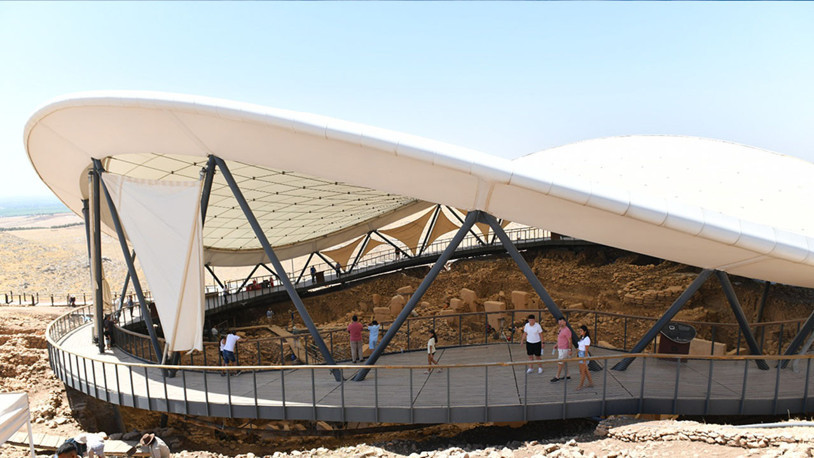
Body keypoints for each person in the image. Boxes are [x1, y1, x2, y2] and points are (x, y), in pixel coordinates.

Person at [551, 316, 572, 382]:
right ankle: (567, 375)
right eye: (559, 321)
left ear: (565, 322)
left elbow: (570, 340)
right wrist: (557, 345)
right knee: (564, 362)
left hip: (564, 349)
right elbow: (560, 338)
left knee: (560, 363)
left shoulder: (567, 330)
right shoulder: (560, 329)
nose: (560, 323)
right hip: (560, 348)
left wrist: (570, 350)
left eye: (562, 321)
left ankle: (557, 376)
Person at [576, 325, 594, 390]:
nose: (580, 332)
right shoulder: (582, 338)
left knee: (582, 371)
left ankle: (580, 385)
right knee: (585, 370)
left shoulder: (587, 339)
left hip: (583, 355)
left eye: (581, 331)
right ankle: (590, 383)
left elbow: (586, 350)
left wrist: (585, 359)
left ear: (585, 331)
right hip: (580, 354)